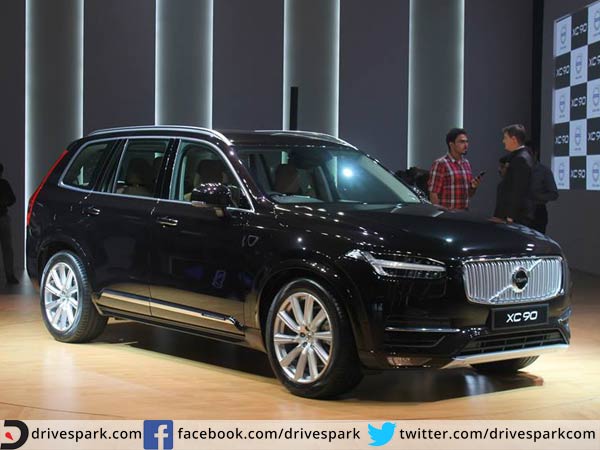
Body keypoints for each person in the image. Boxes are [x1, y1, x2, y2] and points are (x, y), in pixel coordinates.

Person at [428, 128, 481, 210]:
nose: (466, 145)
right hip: (447, 214)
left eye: (467, 141)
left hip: (464, 212)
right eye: (462, 142)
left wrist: (473, 187)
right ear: (451, 144)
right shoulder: (441, 163)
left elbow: (468, 194)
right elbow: (433, 194)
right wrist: (439, 214)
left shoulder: (466, 163)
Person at [494, 124, 534, 226]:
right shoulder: (517, 156)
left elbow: (518, 190)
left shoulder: (521, 159)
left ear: (514, 139)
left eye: (505, 138)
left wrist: (510, 216)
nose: (503, 141)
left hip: (514, 217)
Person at [527, 144, 559, 233]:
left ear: (535, 153)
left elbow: (554, 194)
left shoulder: (544, 171)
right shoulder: (519, 170)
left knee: (537, 239)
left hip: (537, 211)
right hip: (520, 211)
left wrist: (537, 196)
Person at [0, 163, 18, 284]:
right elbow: (12, 199)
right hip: (3, 217)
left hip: (3, 218)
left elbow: (12, 199)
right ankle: (10, 275)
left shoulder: (4, 184)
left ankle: (10, 275)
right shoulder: (4, 184)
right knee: (7, 249)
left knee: (7, 249)